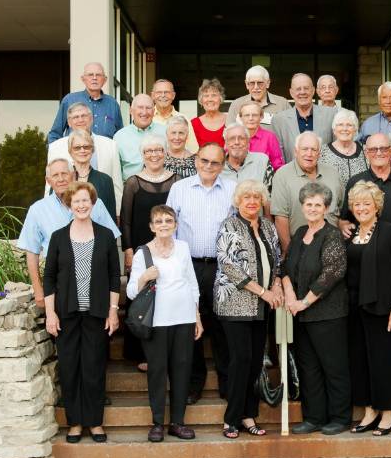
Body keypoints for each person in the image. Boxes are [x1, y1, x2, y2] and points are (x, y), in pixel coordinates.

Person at [42, 181, 120, 444]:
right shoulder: (58, 237)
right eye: (76, 201)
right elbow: (49, 277)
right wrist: (51, 314)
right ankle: (75, 423)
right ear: (69, 205)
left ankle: (95, 422)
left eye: (85, 200)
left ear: (93, 203)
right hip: (66, 315)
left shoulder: (106, 235)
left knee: (94, 367)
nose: (81, 205)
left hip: (97, 314)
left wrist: (113, 311)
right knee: (69, 368)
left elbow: (113, 277)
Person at [127, 205, 203, 443]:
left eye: (168, 221)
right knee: (158, 372)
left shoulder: (182, 248)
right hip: (157, 322)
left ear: (175, 225)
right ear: (151, 226)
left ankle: (177, 423)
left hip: (184, 318)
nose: (163, 225)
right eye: (158, 221)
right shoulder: (143, 254)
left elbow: (192, 283)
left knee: (182, 371)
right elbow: (130, 292)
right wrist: (143, 277)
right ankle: (158, 423)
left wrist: (197, 316)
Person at [166, 143, 235, 404]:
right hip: (189, 266)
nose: (208, 166)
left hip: (223, 267)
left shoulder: (231, 189)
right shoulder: (179, 189)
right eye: (204, 160)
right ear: (195, 160)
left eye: (215, 163)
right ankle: (193, 384)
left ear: (223, 164)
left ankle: (227, 383)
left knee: (222, 326)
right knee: (189, 327)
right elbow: (169, 228)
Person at [214, 180, 283, 439]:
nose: (252, 201)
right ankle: (231, 418)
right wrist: (263, 292)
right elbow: (229, 266)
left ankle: (248, 415)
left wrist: (275, 285)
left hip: (261, 307)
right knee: (240, 360)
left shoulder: (267, 225)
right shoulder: (229, 226)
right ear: (238, 201)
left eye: (256, 197)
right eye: (246, 198)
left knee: (255, 363)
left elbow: (277, 259)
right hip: (234, 304)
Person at [282, 182, 350, 436]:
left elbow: (332, 273)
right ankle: (314, 417)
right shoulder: (300, 233)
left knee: (333, 367)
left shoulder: (331, 235)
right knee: (308, 367)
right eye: (308, 204)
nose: (312, 208)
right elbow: (286, 267)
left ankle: (340, 417)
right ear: (302, 206)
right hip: (301, 314)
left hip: (327, 313)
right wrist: (290, 296)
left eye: (318, 205)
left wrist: (304, 302)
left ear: (327, 208)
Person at [345, 181, 391, 436]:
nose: (361, 208)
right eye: (357, 204)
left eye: (366, 204)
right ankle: (369, 411)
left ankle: (388, 413)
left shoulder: (390, 232)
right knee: (359, 361)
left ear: (377, 206)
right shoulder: (352, 236)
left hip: (383, 308)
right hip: (355, 308)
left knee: (384, 360)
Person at [18, 158, 119, 310]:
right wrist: (38, 290)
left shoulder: (95, 204)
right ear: (48, 180)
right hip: (59, 287)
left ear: (73, 175)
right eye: (55, 175)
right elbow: (32, 252)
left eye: (64, 174)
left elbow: (110, 244)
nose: (61, 179)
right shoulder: (37, 210)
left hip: (97, 289)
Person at [119, 133, 180, 370]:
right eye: (148, 151)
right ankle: (142, 354)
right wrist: (128, 249)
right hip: (142, 251)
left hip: (168, 247)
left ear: (165, 153)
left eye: (158, 150)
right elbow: (125, 220)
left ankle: (168, 352)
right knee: (143, 299)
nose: (154, 155)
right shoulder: (133, 182)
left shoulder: (176, 180)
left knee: (167, 297)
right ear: (142, 155)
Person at [271, 132, 342, 254]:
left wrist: (342, 224)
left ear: (319, 153)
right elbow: (280, 217)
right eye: (304, 149)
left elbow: (340, 207)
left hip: (331, 246)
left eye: (314, 150)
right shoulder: (282, 175)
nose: (309, 154)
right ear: (296, 151)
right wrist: (289, 252)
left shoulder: (333, 173)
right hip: (299, 247)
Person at [47, 102, 123, 216]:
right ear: (69, 122)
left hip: (101, 213)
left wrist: (117, 214)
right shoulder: (55, 147)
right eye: (75, 117)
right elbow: (50, 185)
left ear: (91, 119)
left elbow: (116, 183)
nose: (80, 120)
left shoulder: (110, 145)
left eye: (84, 116)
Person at [339, 133, 391, 236]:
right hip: (364, 245)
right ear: (366, 153)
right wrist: (343, 226)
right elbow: (344, 219)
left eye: (383, 148)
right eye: (373, 149)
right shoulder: (355, 182)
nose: (378, 153)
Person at [48, 62, 123, 143]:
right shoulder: (69, 100)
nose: (94, 78)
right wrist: (55, 153)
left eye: (98, 75)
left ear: (105, 80)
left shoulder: (112, 103)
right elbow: (55, 133)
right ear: (83, 79)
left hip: (105, 154)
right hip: (75, 153)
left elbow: (120, 135)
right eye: (90, 75)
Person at [272, 73, 335, 162]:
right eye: (298, 89)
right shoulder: (279, 120)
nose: (302, 92)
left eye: (306, 88)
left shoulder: (331, 115)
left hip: (325, 174)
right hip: (292, 175)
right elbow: (279, 157)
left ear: (313, 90)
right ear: (291, 92)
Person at [114, 94, 167, 181]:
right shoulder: (119, 137)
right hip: (130, 190)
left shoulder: (165, 132)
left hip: (162, 188)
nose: (144, 112)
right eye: (140, 107)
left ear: (153, 111)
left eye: (148, 108)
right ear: (131, 111)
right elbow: (116, 172)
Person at [67, 130, 116, 218]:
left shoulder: (105, 180)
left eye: (86, 147)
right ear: (70, 151)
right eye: (77, 147)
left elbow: (110, 217)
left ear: (92, 150)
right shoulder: (62, 179)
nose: (82, 150)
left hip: (97, 231)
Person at [226, 65, 290, 127]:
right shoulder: (236, 104)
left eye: (260, 83)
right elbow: (228, 133)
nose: (256, 87)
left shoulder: (282, 104)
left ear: (268, 83)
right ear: (246, 84)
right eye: (252, 83)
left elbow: (291, 130)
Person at [318, 109, 369, 188]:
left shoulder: (366, 150)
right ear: (334, 130)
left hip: (361, 199)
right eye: (340, 125)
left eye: (349, 125)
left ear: (355, 130)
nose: (345, 129)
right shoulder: (322, 152)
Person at [220, 123, 274, 191]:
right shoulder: (217, 164)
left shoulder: (262, 161)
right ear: (226, 143)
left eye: (241, 138)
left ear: (248, 142)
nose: (236, 142)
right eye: (232, 138)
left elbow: (269, 194)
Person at [239, 102, 284, 170]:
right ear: (241, 118)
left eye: (255, 115)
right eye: (247, 115)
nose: (251, 118)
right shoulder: (234, 137)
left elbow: (277, 165)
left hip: (262, 179)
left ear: (261, 117)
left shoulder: (270, 137)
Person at [191, 78, 227, 151]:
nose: (210, 99)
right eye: (206, 96)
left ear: (220, 99)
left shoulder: (230, 120)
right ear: (201, 100)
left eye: (214, 95)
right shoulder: (193, 124)